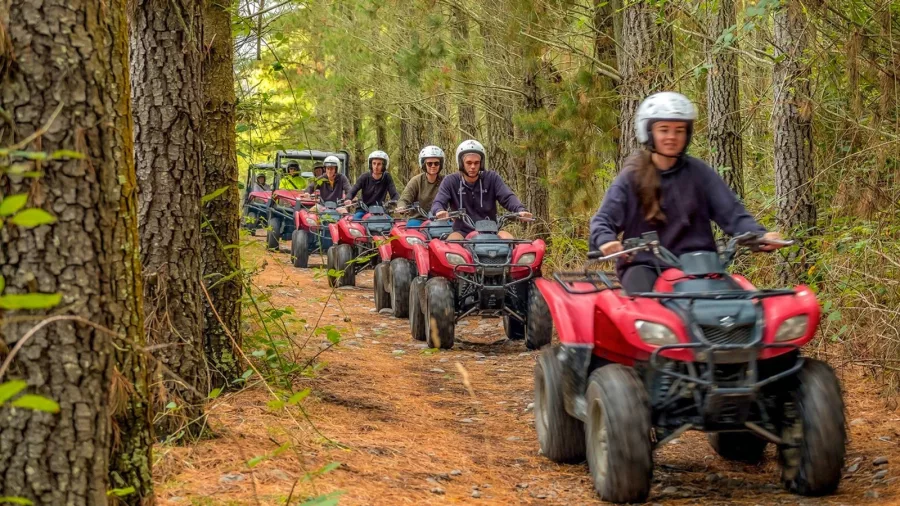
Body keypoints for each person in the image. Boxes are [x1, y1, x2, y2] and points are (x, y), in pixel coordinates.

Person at [589, 91, 785, 293]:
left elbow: (732, 214)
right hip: (645, 266)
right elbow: (603, 218)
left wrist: (760, 235)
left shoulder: (700, 173)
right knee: (644, 314)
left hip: (700, 268)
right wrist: (605, 240)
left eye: (679, 130)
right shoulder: (632, 177)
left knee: (742, 310)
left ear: (687, 134)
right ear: (648, 132)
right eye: (664, 130)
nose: (672, 137)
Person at [431, 139, 531, 240]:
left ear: (481, 163)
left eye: (476, 162)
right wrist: (439, 211)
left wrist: (520, 210)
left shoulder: (492, 178)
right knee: (452, 244)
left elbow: (507, 197)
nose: (473, 166)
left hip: (492, 231)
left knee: (510, 240)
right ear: (461, 163)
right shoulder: (451, 181)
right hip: (462, 232)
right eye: (469, 163)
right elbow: (439, 201)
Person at [397, 145, 447, 227]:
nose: (433, 166)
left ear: (440, 165)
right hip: (418, 219)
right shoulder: (416, 181)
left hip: (441, 220)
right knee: (411, 233)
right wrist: (402, 207)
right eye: (429, 163)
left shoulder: (446, 181)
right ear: (423, 164)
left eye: (436, 163)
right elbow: (404, 199)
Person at [348, 150, 399, 219]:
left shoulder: (387, 177)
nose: (376, 166)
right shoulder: (364, 177)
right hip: (363, 209)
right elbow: (353, 190)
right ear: (370, 164)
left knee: (391, 224)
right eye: (374, 163)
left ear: (384, 165)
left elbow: (394, 194)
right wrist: (348, 198)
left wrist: (398, 203)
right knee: (355, 221)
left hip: (380, 210)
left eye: (379, 164)